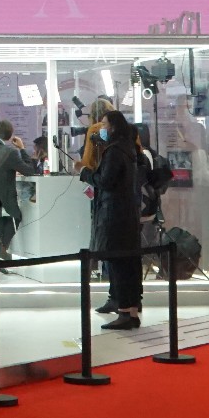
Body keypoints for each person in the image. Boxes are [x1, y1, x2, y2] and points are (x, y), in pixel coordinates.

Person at [82, 109, 143, 329]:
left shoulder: (115, 151)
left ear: (114, 126)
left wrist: (86, 173)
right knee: (128, 264)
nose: (102, 129)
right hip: (127, 214)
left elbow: (106, 181)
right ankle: (131, 311)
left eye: (105, 125)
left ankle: (124, 312)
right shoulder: (128, 149)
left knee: (119, 264)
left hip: (114, 215)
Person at [0, 120, 39, 259]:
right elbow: (29, 171)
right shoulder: (10, 152)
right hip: (4, 198)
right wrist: (22, 149)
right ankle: (1, 248)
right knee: (15, 216)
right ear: (10, 136)